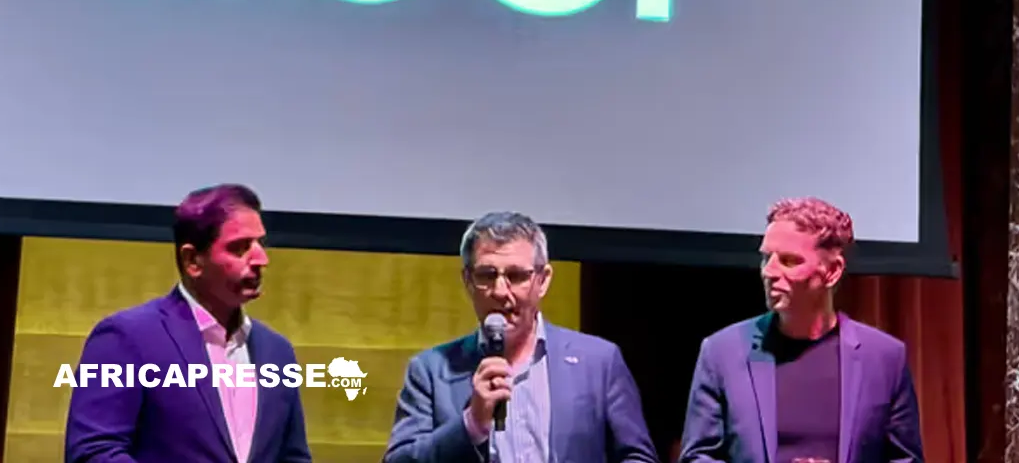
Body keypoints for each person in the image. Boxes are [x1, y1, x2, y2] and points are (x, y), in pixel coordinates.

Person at [383, 211, 659, 463]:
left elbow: (637, 457)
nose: (500, 291)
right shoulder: (430, 371)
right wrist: (471, 424)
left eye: (516, 276)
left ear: (543, 280)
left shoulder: (599, 362)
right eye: (487, 275)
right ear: (468, 281)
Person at [65, 184, 312, 463]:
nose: (261, 260)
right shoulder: (126, 338)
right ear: (192, 260)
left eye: (260, 244)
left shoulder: (277, 352)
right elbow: (93, 453)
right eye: (240, 248)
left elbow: (293, 458)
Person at [679, 197, 923, 463]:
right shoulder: (722, 352)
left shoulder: (884, 358)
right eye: (766, 258)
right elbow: (698, 458)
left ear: (832, 271)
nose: (769, 272)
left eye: (789, 261)